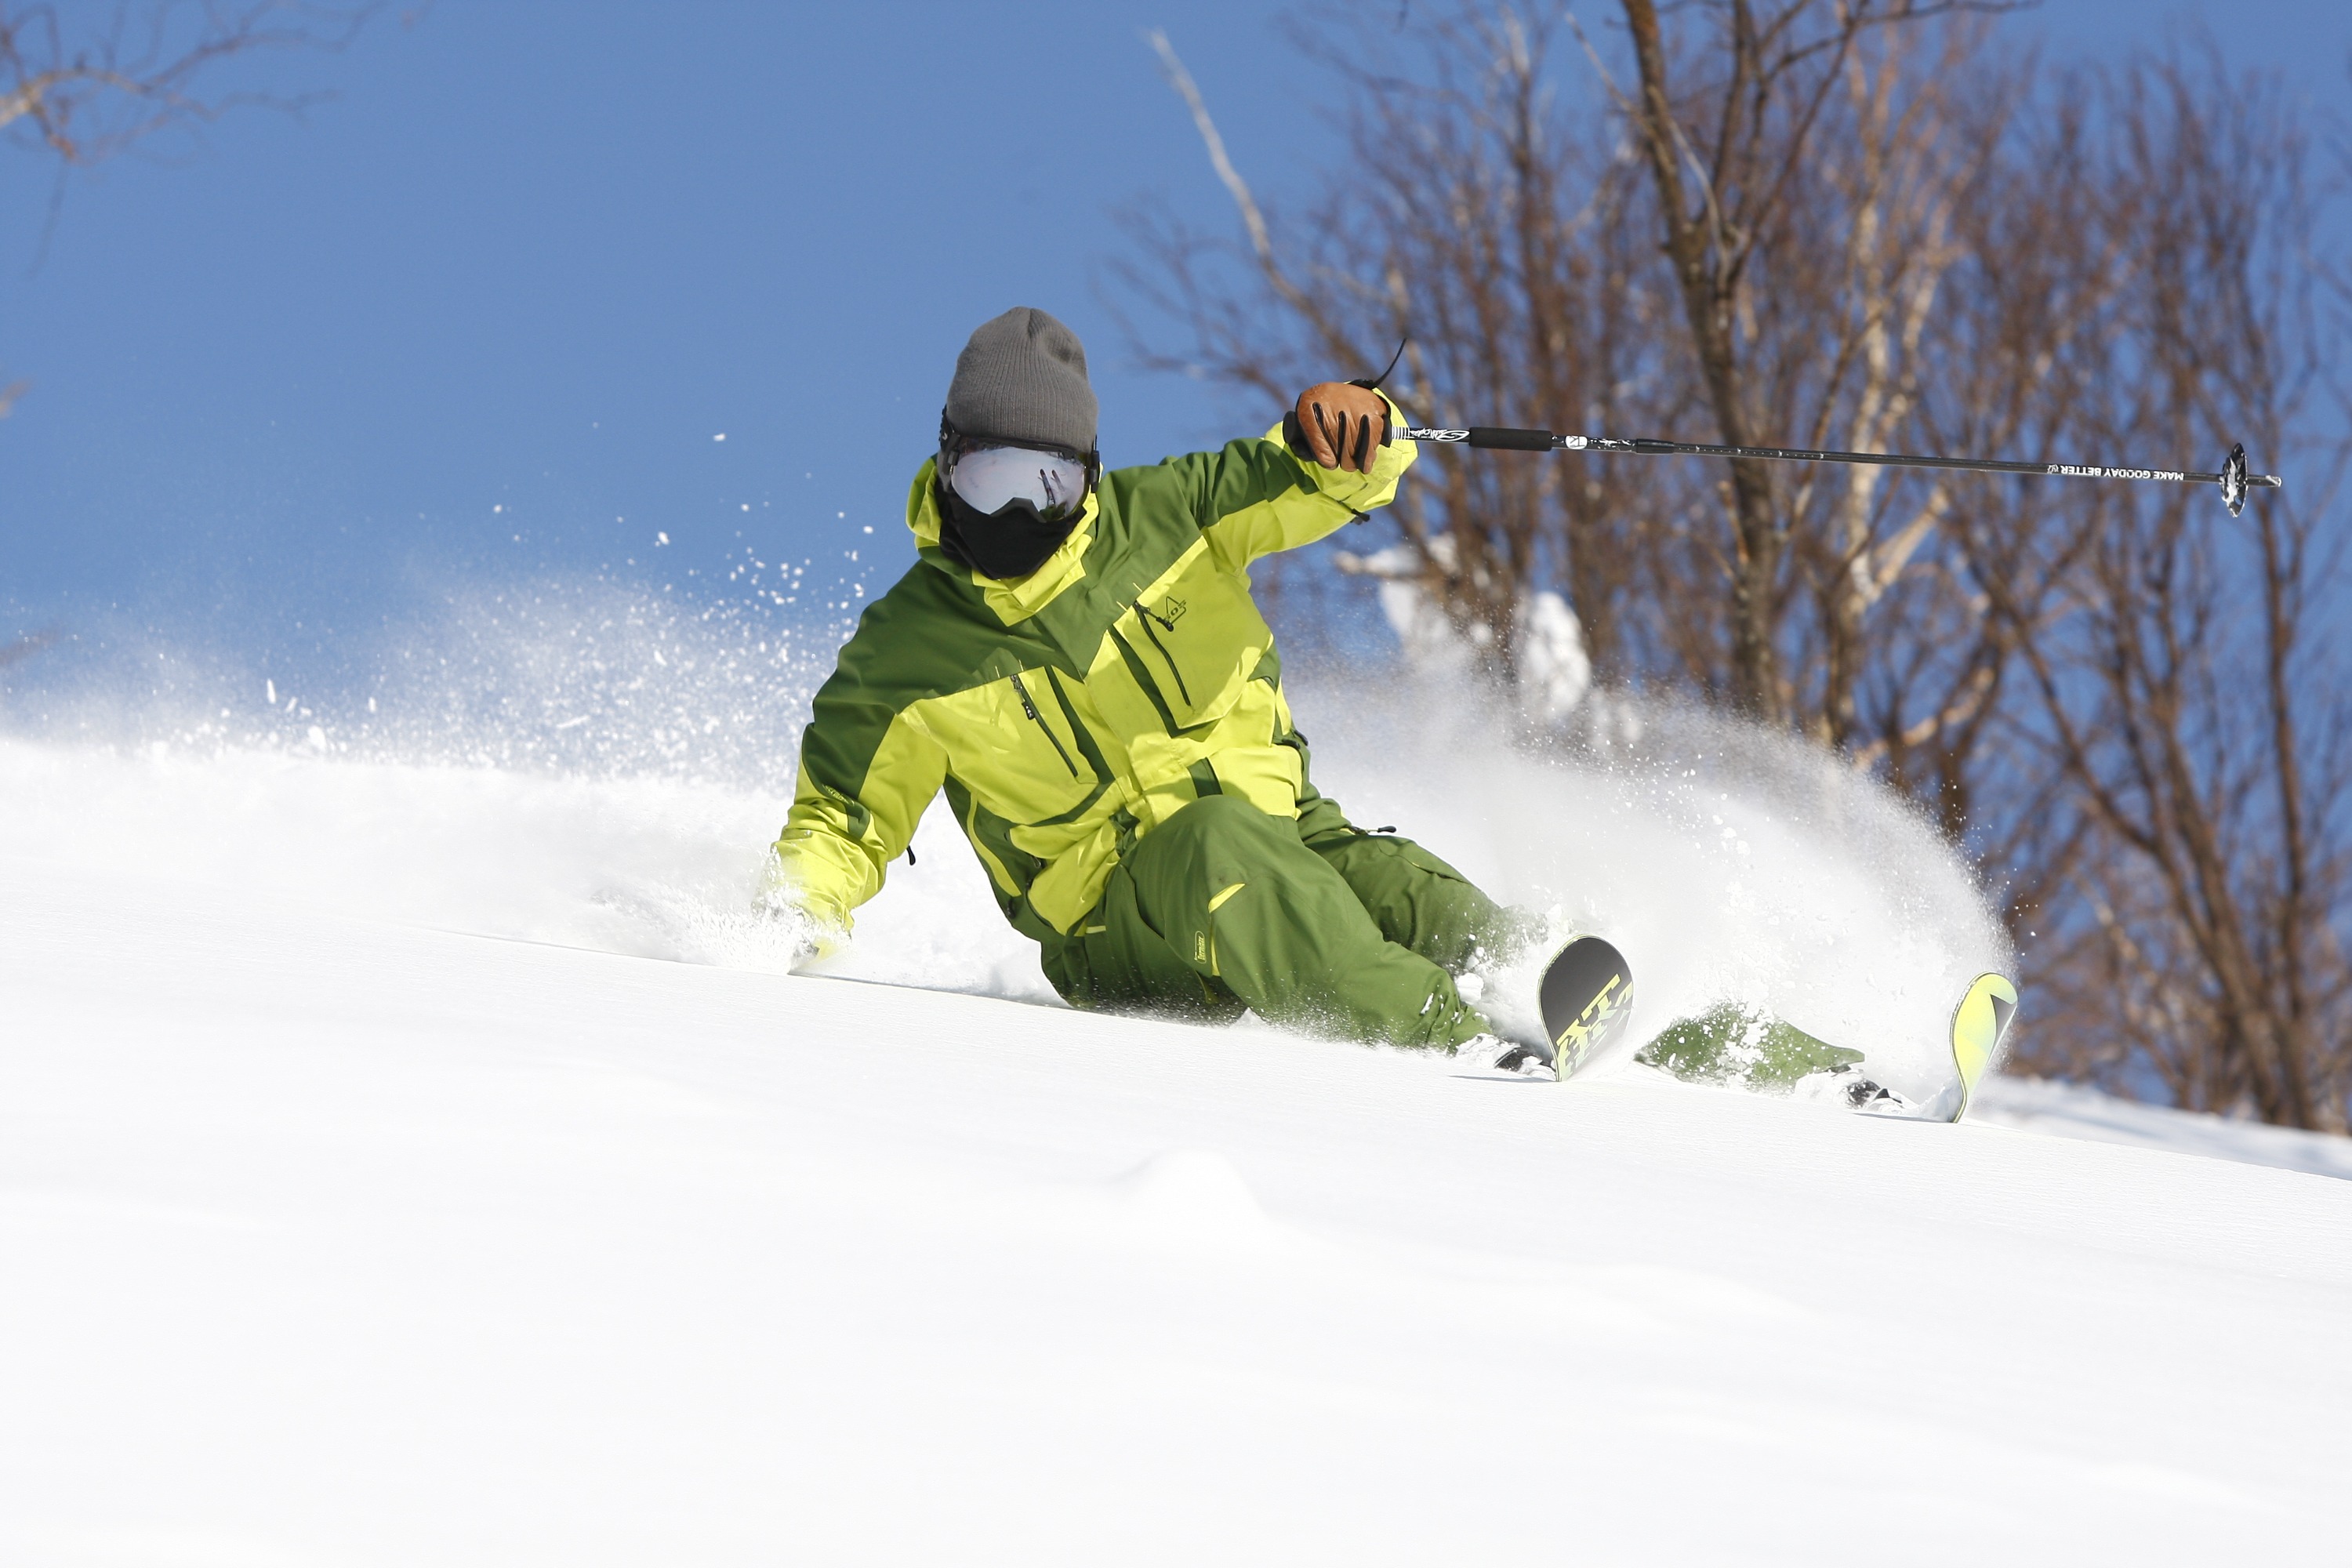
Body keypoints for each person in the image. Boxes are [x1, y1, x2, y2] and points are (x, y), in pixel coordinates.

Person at [761, 306, 1530, 1054]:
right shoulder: (906, 654)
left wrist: (1352, 427)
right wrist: (794, 914)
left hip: (1289, 843)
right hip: (1119, 933)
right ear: (947, 462)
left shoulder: (1174, 517)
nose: (1022, 511)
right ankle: (1454, 1046)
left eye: (1050, 483)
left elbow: (1317, 478)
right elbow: (839, 820)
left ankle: (1577, 1007)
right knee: (1211, 842)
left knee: (1401, 888)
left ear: (1089, 476)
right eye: (994, 480)